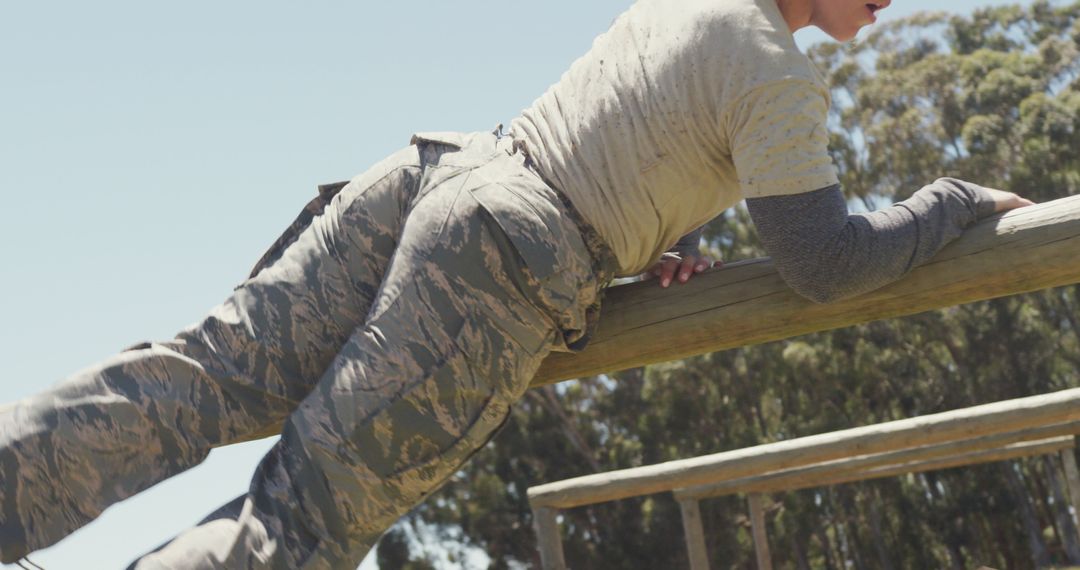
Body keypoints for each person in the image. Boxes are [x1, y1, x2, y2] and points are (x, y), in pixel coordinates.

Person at [0, 0, 1035, 567]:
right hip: (503, 257)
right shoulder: (776, 69)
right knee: (304, 524)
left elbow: (632, 143)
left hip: (441, 176)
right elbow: (826, 262)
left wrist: (645, 245)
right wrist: (950, 202)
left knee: (203, 377)